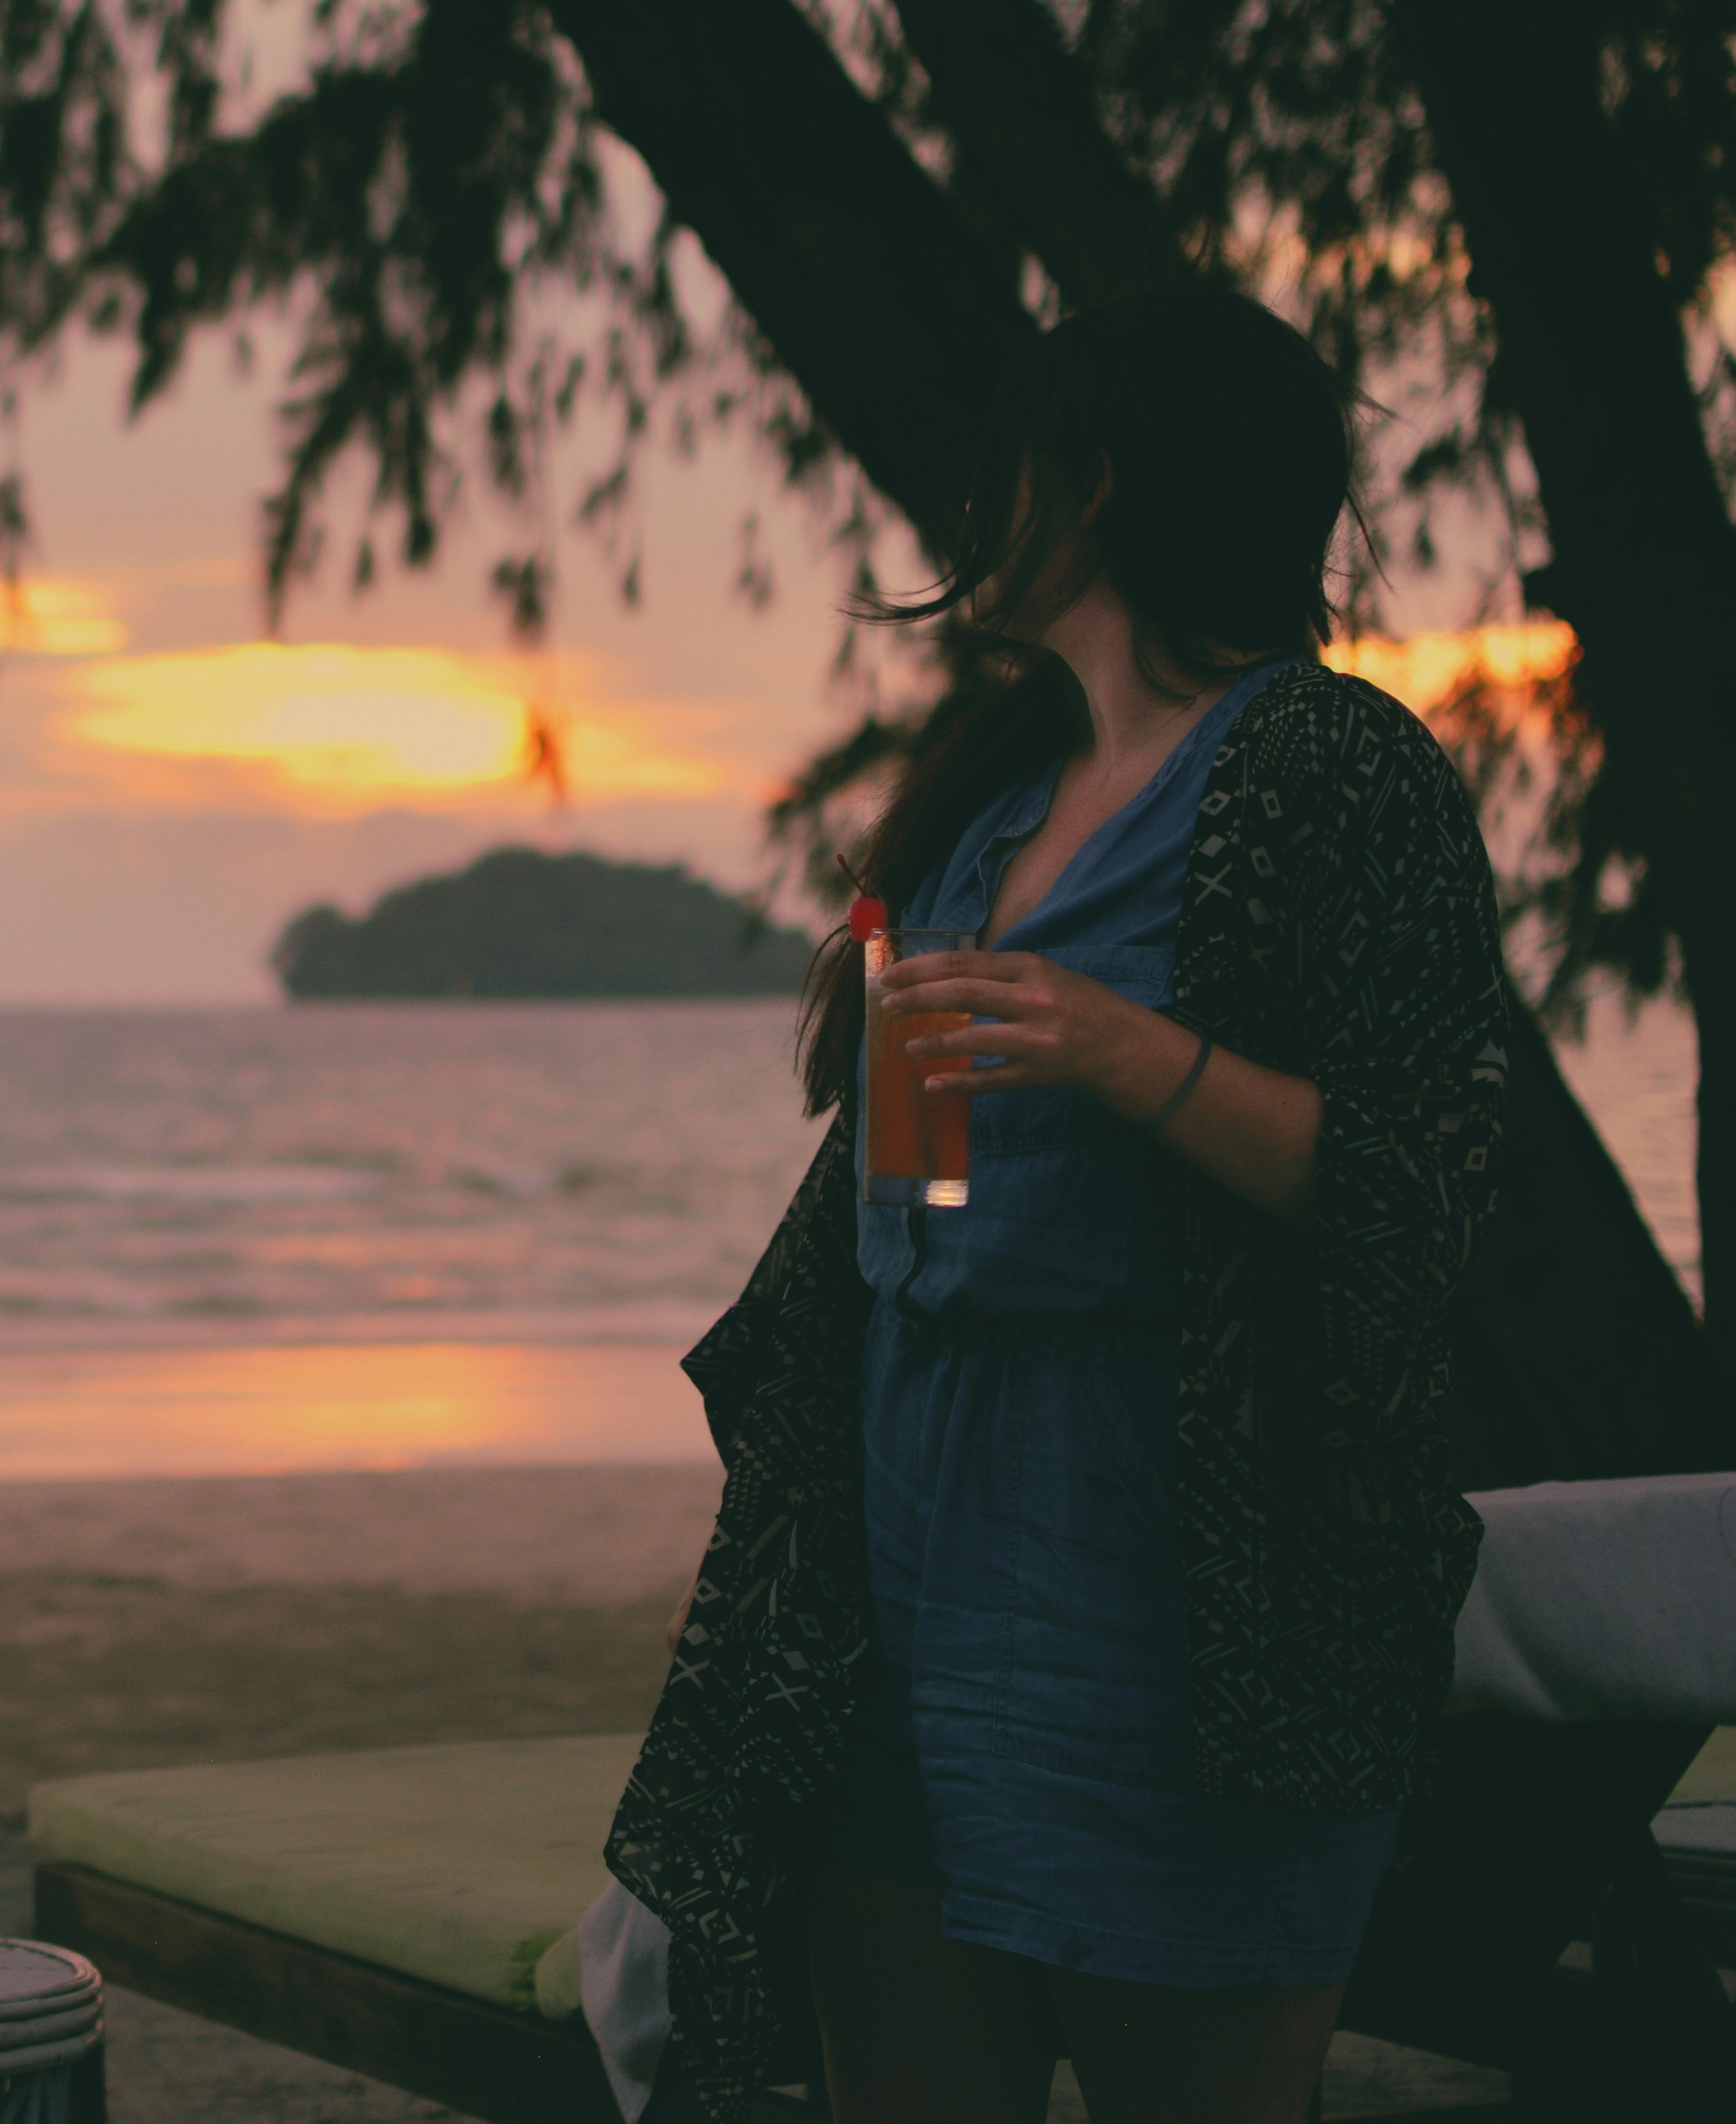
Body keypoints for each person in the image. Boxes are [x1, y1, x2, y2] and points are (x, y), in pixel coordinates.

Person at [605, 285, 1511, 2124]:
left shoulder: (1333, 769)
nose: (968, 513)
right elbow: (922, 1205)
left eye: (1003, 467)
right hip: (907, 1585)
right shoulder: (991, 801)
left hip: (1172, 1605)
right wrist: (902, 1122)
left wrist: (1126, 1050)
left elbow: (1424, 1192)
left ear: (1091, 481)